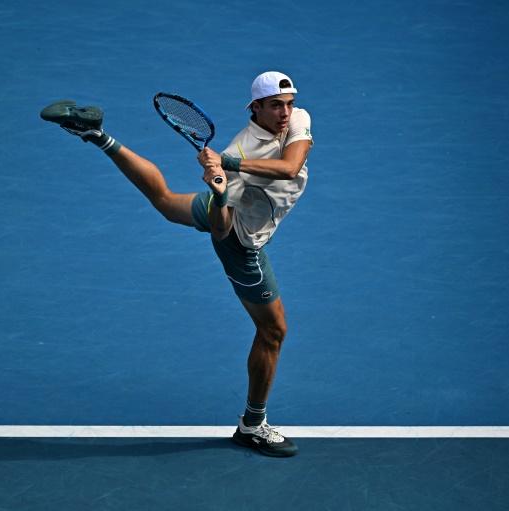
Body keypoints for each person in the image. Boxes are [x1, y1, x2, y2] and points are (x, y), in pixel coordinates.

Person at [40, 71, 313, 458]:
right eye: (275, 106)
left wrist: (230, 164)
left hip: (238, 192)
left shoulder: (295, 120)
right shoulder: (241, 150)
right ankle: (252, 426)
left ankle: (97, 135)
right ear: (256, 107)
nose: (285, 113)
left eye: (288, 103)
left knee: (167, 202)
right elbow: (221, 232)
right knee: (274, 332)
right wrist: (219, 194)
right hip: (240, 240)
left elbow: (289, 167)